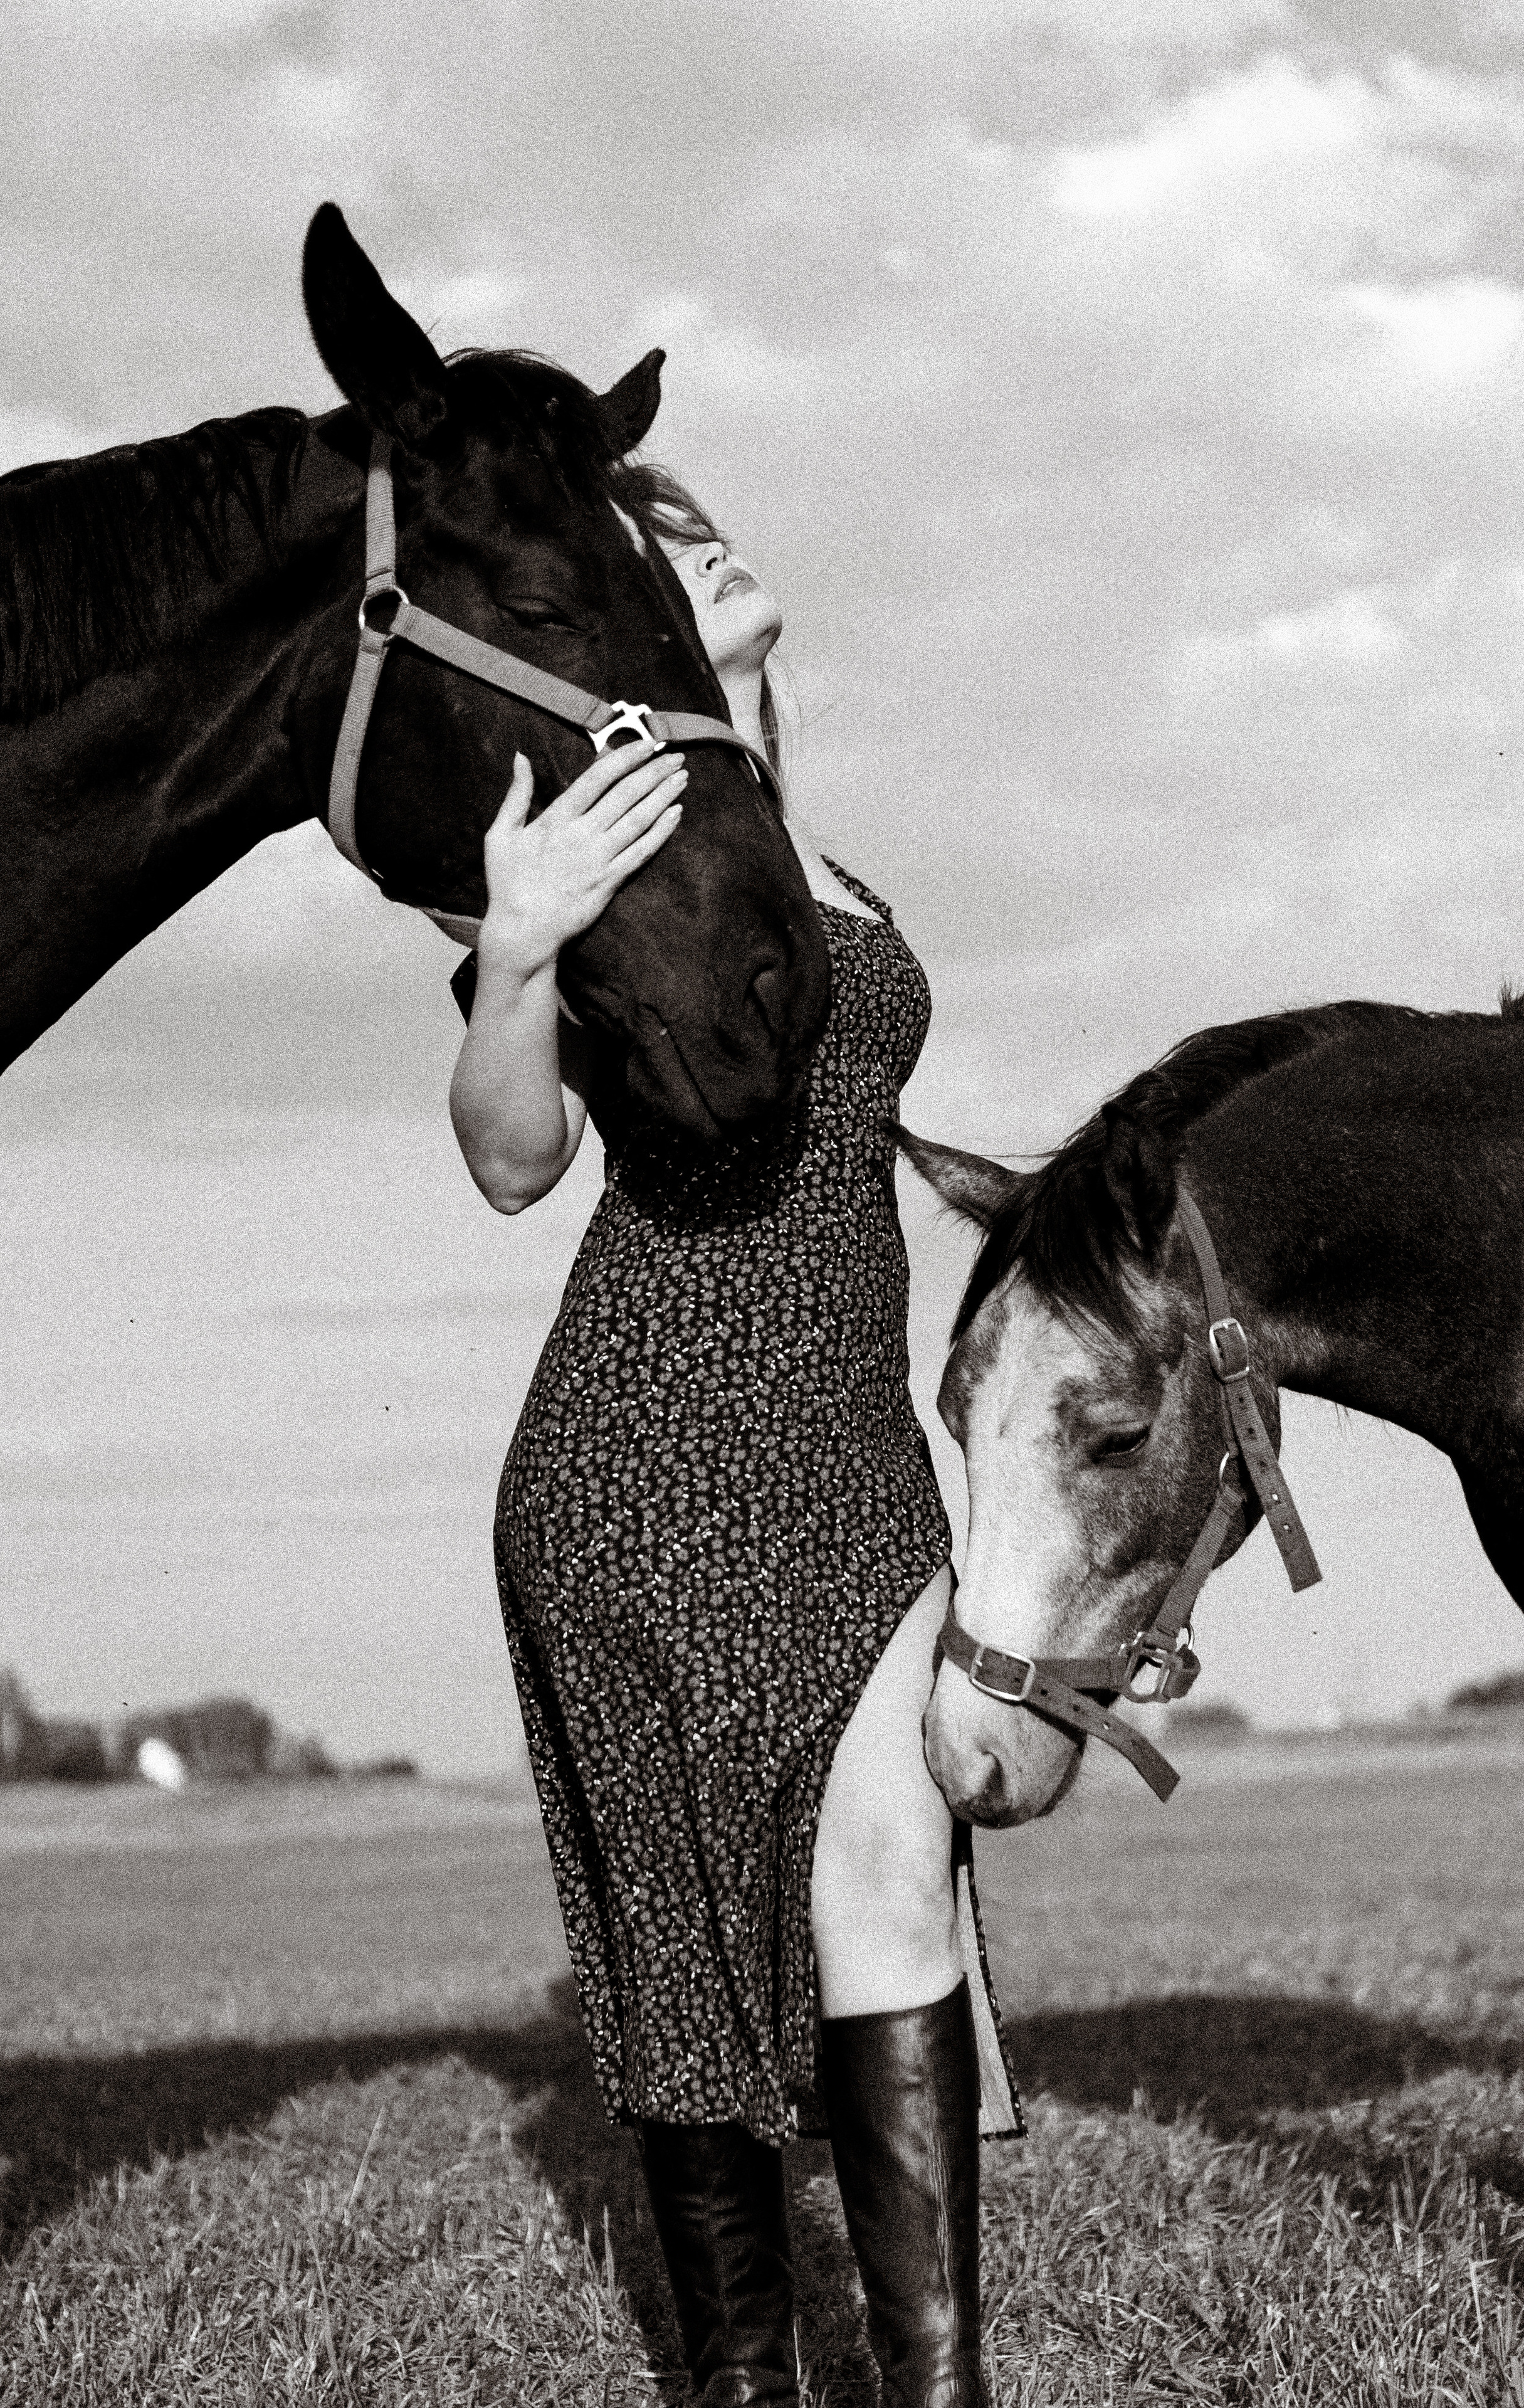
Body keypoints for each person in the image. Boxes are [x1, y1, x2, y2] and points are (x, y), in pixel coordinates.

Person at [449, 463, 1019, 2408]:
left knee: (890, 1864)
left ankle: (936, 2389)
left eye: (700, 529)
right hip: (645, 1445)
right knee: (691, 1949)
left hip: (851, 1451)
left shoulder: (795, 842)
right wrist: (519, 945)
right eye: (670, 552)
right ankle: (747, 2385)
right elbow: (518, 1163)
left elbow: (850, 1119)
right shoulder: (596, 827)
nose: (718, 553)